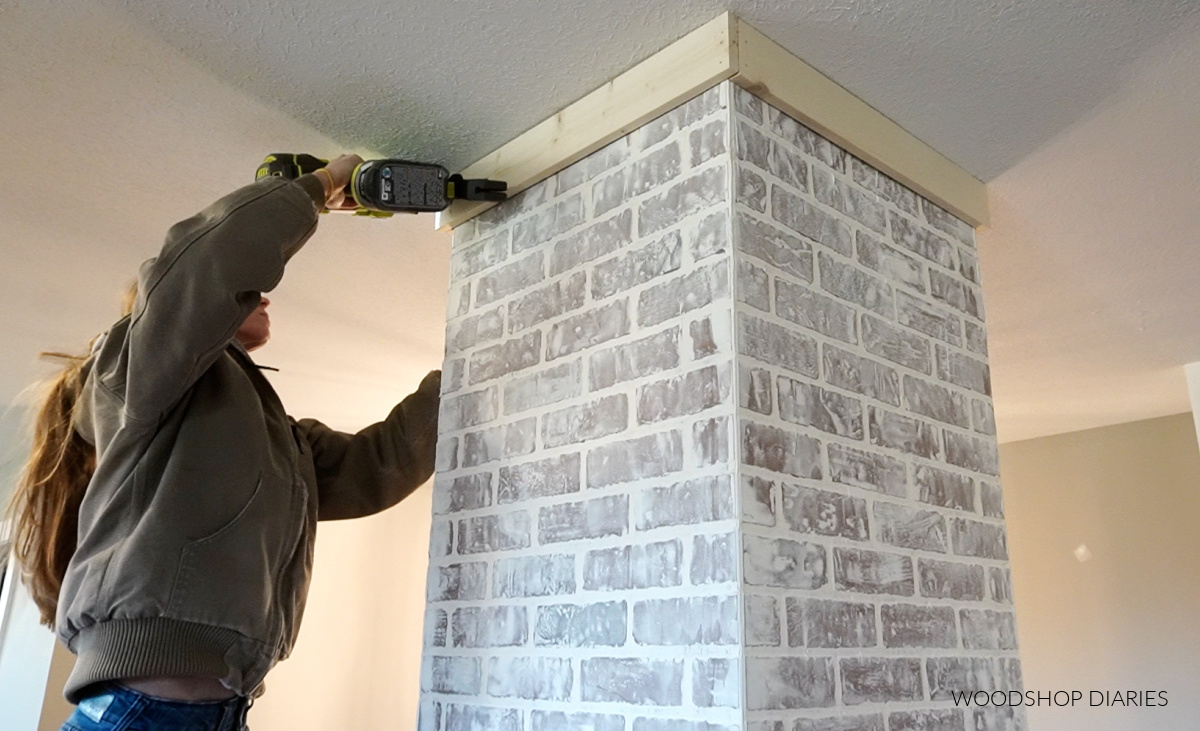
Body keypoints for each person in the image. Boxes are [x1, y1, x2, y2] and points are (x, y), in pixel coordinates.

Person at [4, 154, 441, 731]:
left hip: (211, 713)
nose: (262, 291)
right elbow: (211, 262)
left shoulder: (267, 435)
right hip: (148, 714)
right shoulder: (133, 367)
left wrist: (467, 365)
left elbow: (374, 467)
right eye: (245, 291)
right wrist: (318, 187)